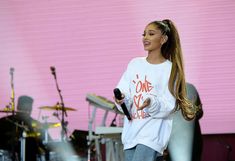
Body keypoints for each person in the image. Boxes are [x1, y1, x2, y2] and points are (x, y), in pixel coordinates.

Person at [113, 19, 197, 161]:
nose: (145, 37)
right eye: (144, 34)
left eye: (151, 34)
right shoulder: (134, 64)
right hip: (131, 133)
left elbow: (168, 105)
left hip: (152, 135)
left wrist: (151, 102)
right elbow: (125, 92)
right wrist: (121, 99)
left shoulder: (170, 69)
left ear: (163, 39)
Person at [0, 95, 48, 161]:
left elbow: (47, 143)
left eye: (29, 110)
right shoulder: (5, 121)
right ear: (17, 107)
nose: (27, 112)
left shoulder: (35, 124)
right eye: (24, 110)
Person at [167, 82, 203, 161]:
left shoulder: (161, 92)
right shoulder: (189, 88)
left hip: (169, 142)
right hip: (193, 138)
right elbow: (200, 113)